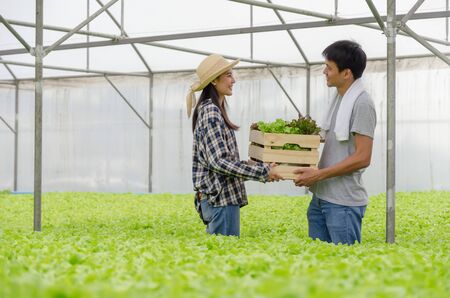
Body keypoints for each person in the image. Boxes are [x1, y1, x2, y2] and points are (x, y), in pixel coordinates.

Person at [187, 54, 282, 237]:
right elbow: (219, 162)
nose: (234, 80)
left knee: (222, 258)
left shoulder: (213, 110)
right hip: (220, 201)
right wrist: (263, 172)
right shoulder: (211, 112)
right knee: (223, 261)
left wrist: (260, 167)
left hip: (220, 199)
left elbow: (223, 163)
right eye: (229, 75)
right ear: (214, 80)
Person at [293, 40, 377, 245]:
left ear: (346, 73)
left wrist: (318, 174)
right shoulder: (339, 99)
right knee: (321, 269)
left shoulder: (362, 103)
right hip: (321, 198)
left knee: (345, 271)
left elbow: (363, 157)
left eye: (329, 68)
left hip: (343, 204)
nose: (324, 71)